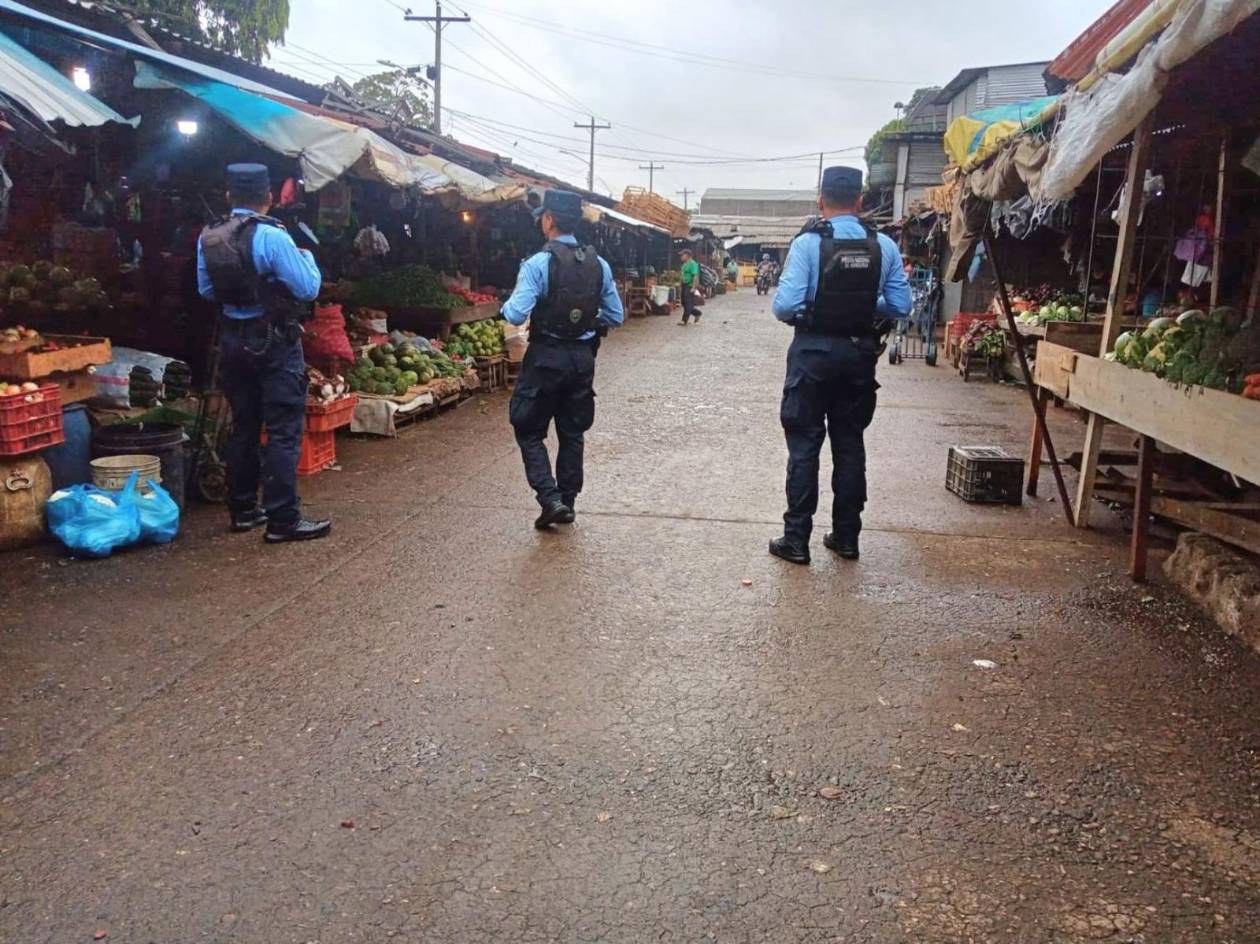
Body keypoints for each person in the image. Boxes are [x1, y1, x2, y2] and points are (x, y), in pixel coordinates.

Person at [767, 166, 912, 565]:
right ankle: (847, 538)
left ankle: (796, 541)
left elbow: (784, 306)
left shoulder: (807, 244)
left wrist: (818, 307)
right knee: (849, 445)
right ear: (861, 201)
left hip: (812, 354)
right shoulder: (884, 245)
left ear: (821, 200)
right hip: (858, 355)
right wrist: (864, 306)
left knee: (804, 446)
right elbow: (901, 306)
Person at [197, 164, 329, 543]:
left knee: (244, 426)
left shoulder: (210, 236)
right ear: (269, 197)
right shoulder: (273, 236)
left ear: (228, 196)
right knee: (284, 431)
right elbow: (307, 289)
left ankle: (242, 510)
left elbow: (206, 291)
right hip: (274, 341)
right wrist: (308, 260)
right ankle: (283, 519)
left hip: (232, 340)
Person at [502, 189, 625, 530]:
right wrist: (586, 322)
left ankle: (550, 498)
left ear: (548, 219)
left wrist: (506, 304)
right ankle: (567, 502)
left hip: (545, 358)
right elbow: (615, 315)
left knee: (528, 428)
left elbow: (516, 314)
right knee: (572, 432)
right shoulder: (599, 265)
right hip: (582, 361)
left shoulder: (537, 264)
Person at [678, 248, 701, 325]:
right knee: (684, 303)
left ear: (687, 256)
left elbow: (695, 276)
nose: (681, 257)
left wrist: (693, 287)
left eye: (682, 255)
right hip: (684, 285)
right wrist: (680, 284)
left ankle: (684, 320)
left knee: (688, 303)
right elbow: (682, 275)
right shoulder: (684, 264)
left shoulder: (692, 264)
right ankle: (697, 313)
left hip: (690, 285)